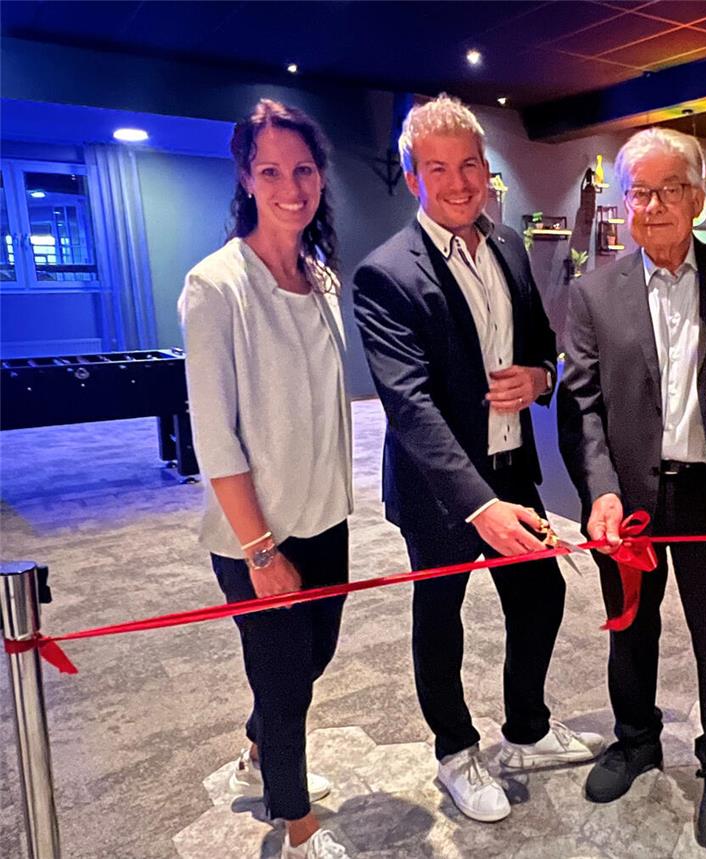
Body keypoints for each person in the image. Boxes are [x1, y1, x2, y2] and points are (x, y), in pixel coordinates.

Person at [352, 94, 603, 824]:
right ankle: (455, 749)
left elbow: (541, 348)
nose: (459, 182)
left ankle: (524, 729)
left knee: (540, 596)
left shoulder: (510, 248)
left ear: (485, 169)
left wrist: (541, 377)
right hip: (441, 490)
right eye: (439, 169)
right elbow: (409, 405)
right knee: (442, 612)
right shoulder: (385, 274)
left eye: (470, 165)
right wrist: (478, 505)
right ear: (412, 177)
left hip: (511, 468)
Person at [558, 127, 706, 850]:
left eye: (667, 190)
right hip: (627, 500)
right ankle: (635, 739)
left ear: (695, 196)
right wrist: (597, 490)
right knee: (631, 629)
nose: (652, 206)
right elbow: (583, 405)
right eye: (639, 192)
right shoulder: (593, 291)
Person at [179, 99, 353, 859]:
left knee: (312, 660)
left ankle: (256, 746)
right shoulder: (215, 286)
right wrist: (258, 550)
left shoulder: (321, 278)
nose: (292, 186)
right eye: (272, 170)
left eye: (304, 169)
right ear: (247, 179)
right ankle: (298, 821)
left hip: (326, 519)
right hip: (259, 535)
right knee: (286, 685)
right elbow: (216, 439)